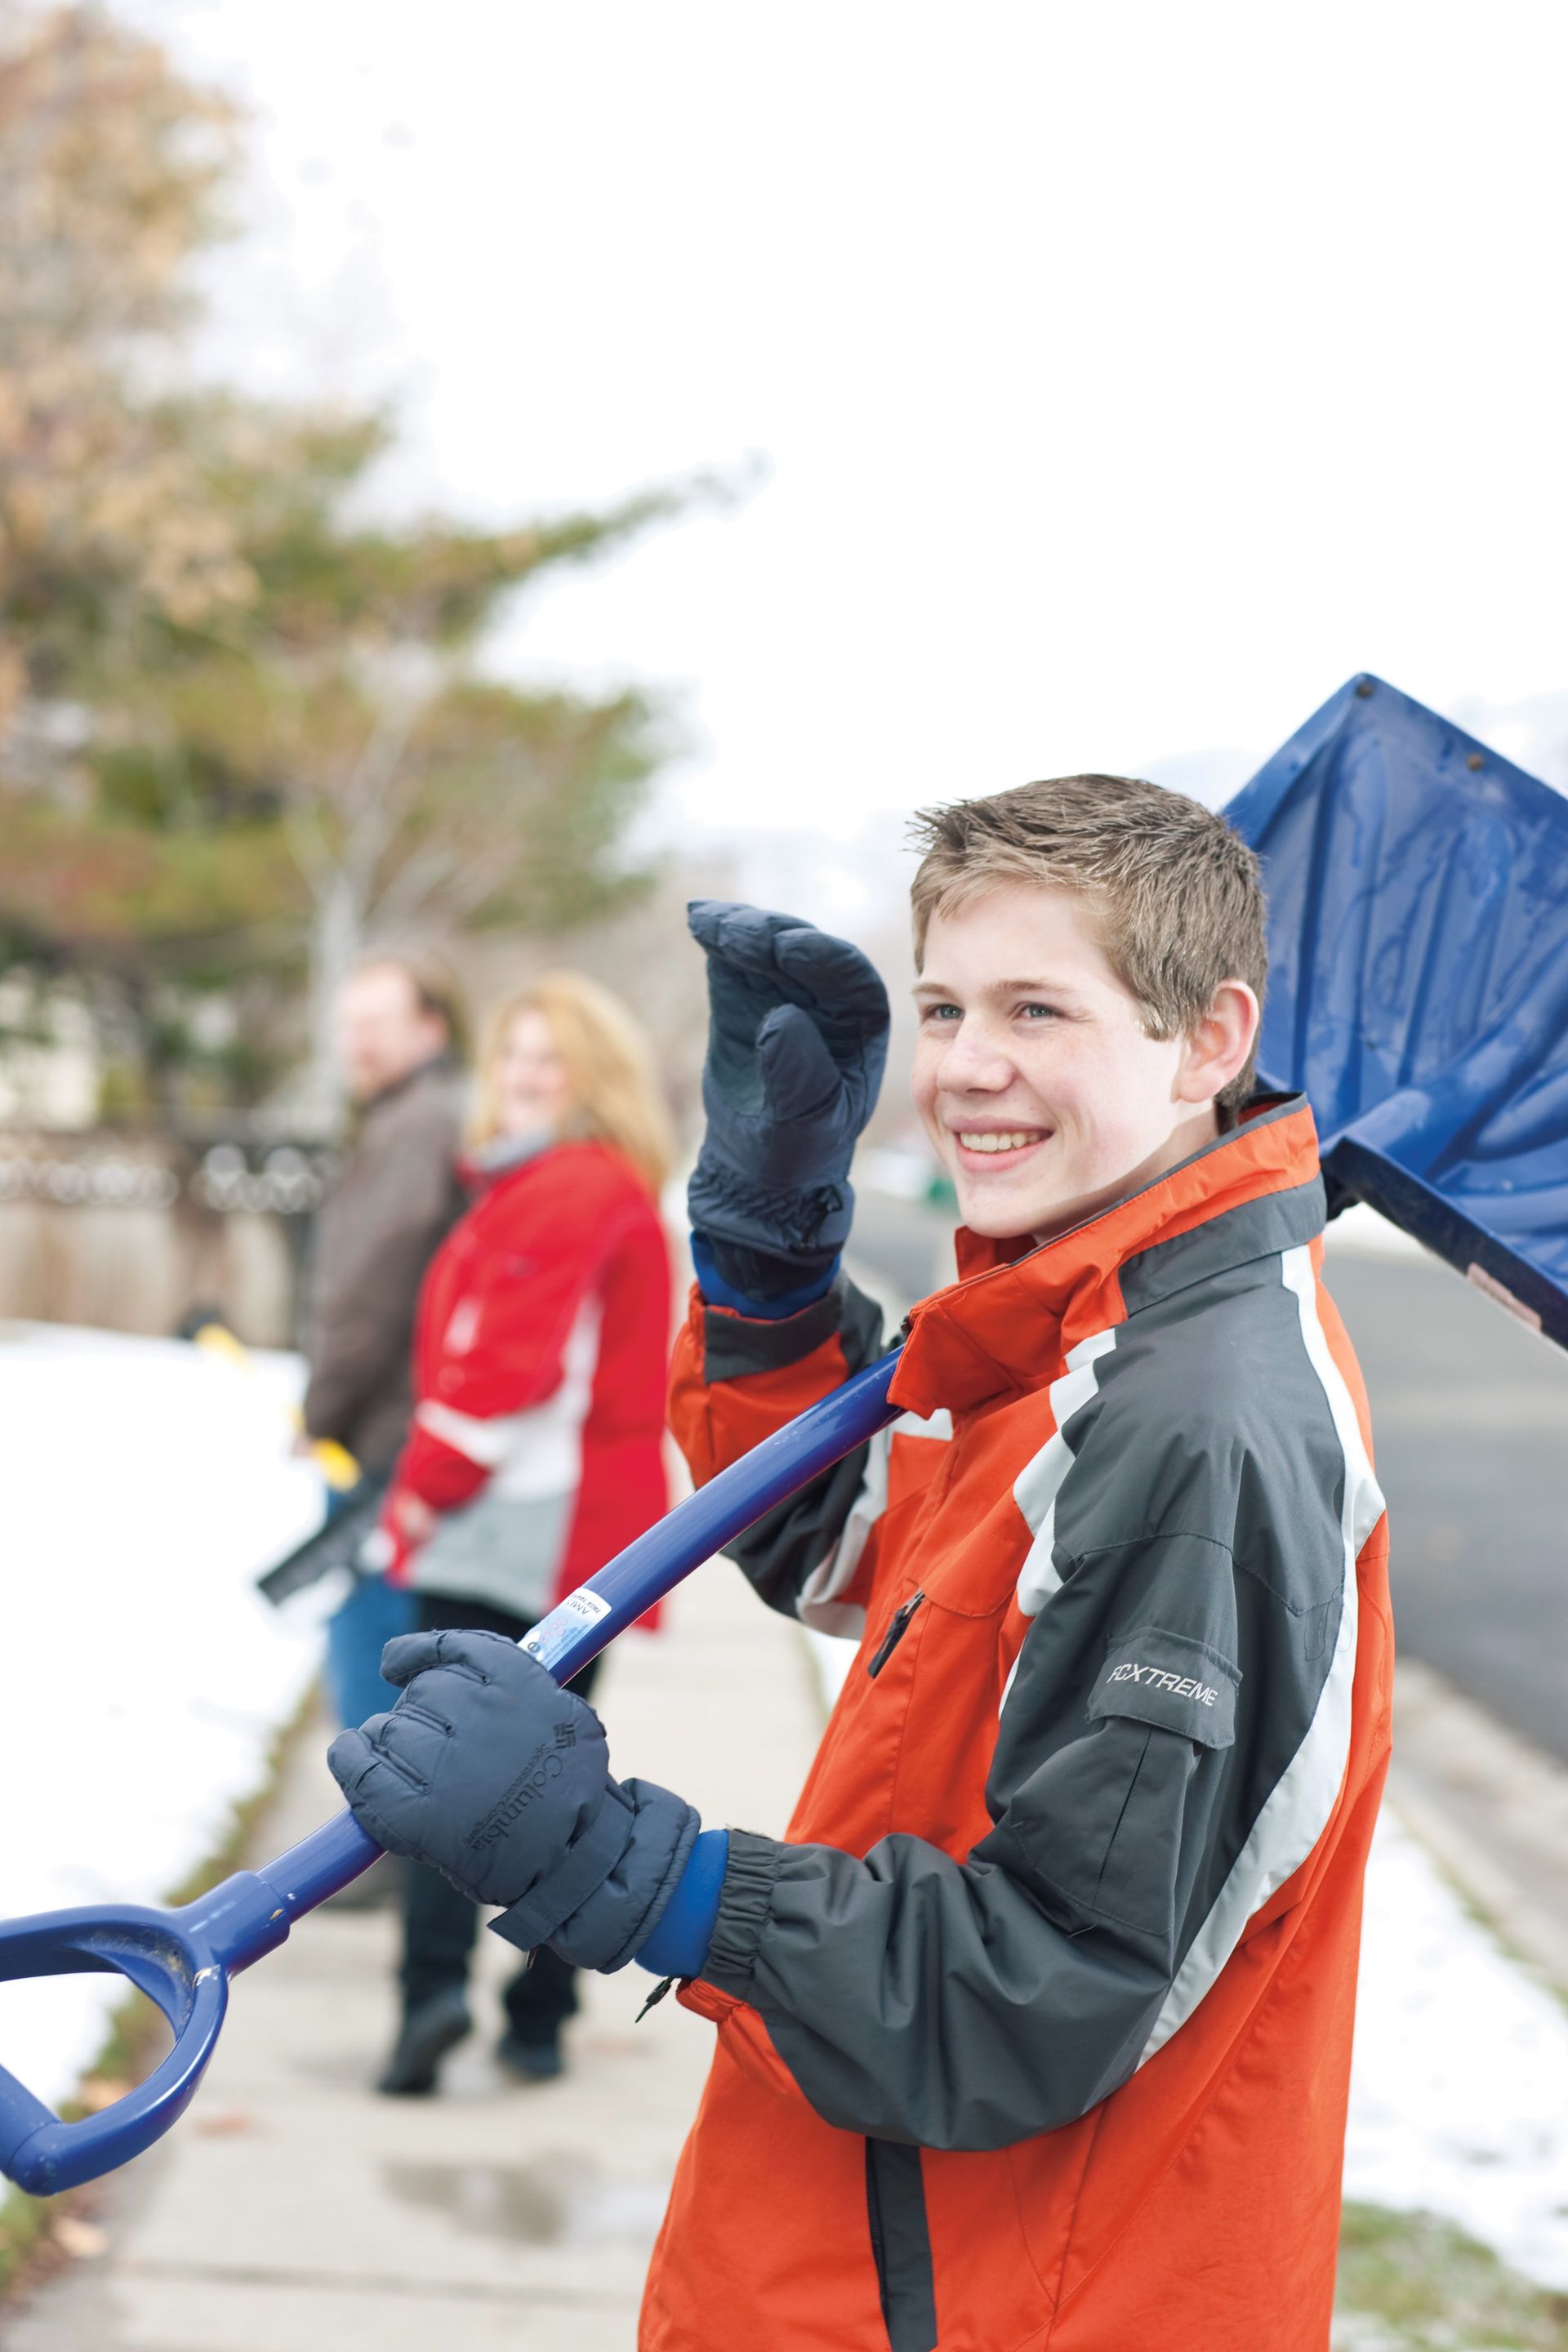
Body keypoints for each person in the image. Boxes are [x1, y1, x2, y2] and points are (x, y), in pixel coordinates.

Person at [329, 777, 1392, 2352]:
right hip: (865, 2258)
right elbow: (847, 1544)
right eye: (947, 1006)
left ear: (1210, 1038)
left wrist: (631, 1872)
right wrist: (767, 1263)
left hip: (1004, 2301)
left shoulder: (1196, 1422)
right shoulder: (1084, 1334)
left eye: (1040, 1008)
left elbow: (1036, 1988)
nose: (967, 1068)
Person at [373, 971, 675, 2096]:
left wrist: (423, 1483)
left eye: (550, 1062)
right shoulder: (571, 1185)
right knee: (545, 1778)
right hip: (559, 1533)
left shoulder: (569, 1188)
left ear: (593, 1079)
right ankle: (536, 2011)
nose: (524, 1080)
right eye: (514, 1060)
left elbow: (504, 1370)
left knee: (447, 1771)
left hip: (515, 1529)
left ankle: (436, 1998)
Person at [301, 956, 468, 1740]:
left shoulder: (420, 1121)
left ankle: (375, 1847)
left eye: (377, 1024)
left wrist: (321, 1408)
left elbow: (370, 1290)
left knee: (376, 1656)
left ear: (430, 1029)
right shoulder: (407, 1114)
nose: (356, 1042)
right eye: (349, 1024)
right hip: (395, 1430)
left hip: (385, 1437)